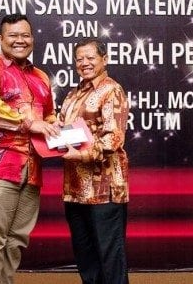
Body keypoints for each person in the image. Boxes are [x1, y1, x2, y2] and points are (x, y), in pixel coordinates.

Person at [0, 13, 59, 284]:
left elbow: (48, 117)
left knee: (16, 238)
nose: (20, 41)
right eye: (13, 36)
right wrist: (32, 123)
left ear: (33, 38)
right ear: (0, 39)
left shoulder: (40, 76)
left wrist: (58, 129)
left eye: (25, 35)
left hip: (30, 169)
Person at [58, 38, 130, 284]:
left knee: (110, 260)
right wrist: (53, 132)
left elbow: (113, 138)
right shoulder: (73, 94)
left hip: (104, 189)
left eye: (90, 57)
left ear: (104, 59)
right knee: (86, 259)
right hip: (75, 189)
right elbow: (63, 127)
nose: (84, 63)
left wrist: (82, 153)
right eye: (79, 59)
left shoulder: (112, 90)